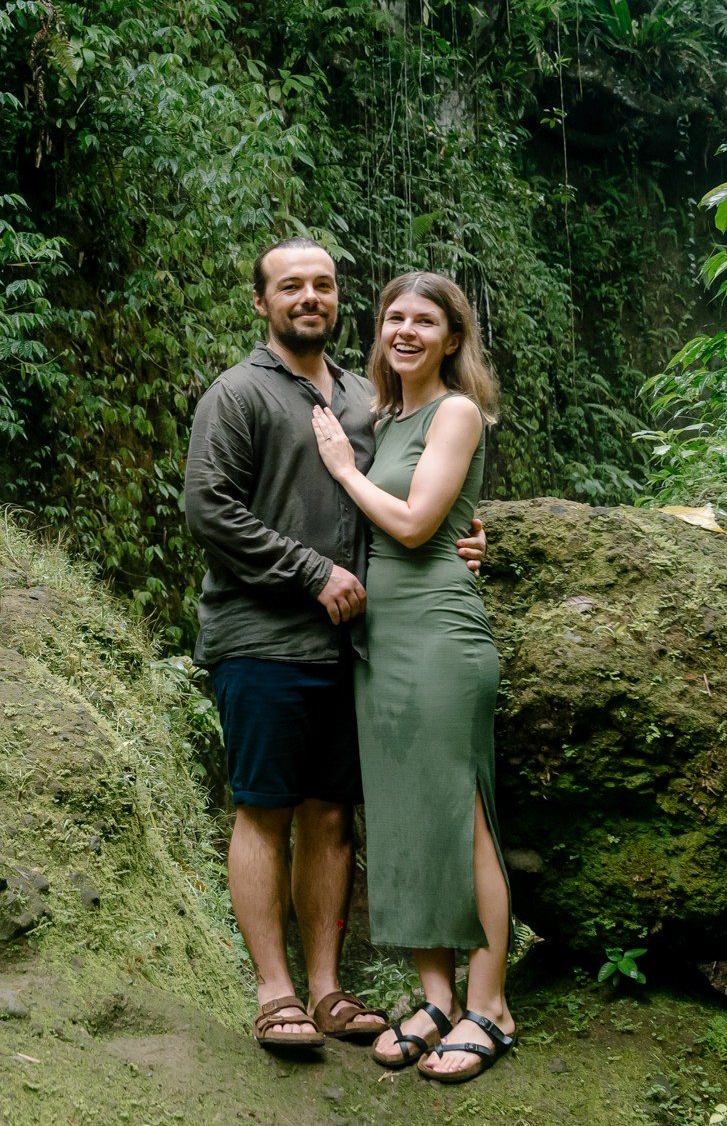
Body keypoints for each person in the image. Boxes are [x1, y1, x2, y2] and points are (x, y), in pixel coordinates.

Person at [185, 240, 484, 1050]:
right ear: (262, 302)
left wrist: (463, 536)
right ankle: (274, 990)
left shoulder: (366, 399)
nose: (309, 297)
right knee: (263, 809)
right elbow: (209, 509)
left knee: (331, 817)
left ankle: (326, 987)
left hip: (356, 647)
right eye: (291, 287)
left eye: (322, 284)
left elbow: (407, 495)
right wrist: (312, 570)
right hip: (261, 638)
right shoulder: (238, 392)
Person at [310, 270, 515, 1084]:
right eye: (393, 316)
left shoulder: (455, 411)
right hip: (380, 641)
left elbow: (415, 520)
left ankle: (489, 1003)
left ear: (452, 338)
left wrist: (341, 467)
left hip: (438, 634)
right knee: (403, 815)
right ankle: (436, 995)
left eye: (424, 320)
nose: (405, 330)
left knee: (461, 816)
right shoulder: (378, 414)